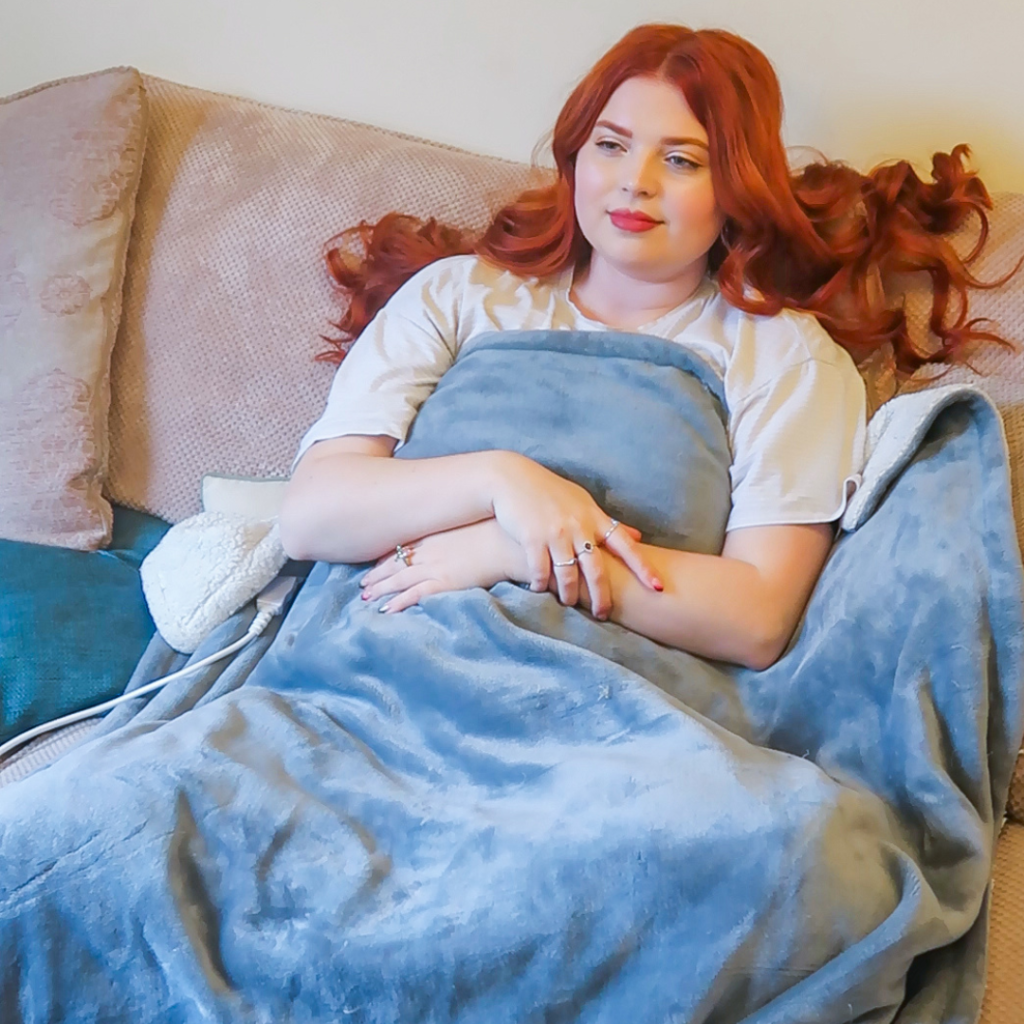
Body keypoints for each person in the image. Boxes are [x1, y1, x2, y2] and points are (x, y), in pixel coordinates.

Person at [280, 23, 1007, 671]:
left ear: (735, 185)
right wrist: (506, 483)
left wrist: (515, 552)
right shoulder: (460, 294)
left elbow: (756, 617)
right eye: (611, 145)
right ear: (575, 160)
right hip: (379, 658)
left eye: (683, 161)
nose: (636, 182)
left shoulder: (785, 357)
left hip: (614, 695)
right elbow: (313, 513)